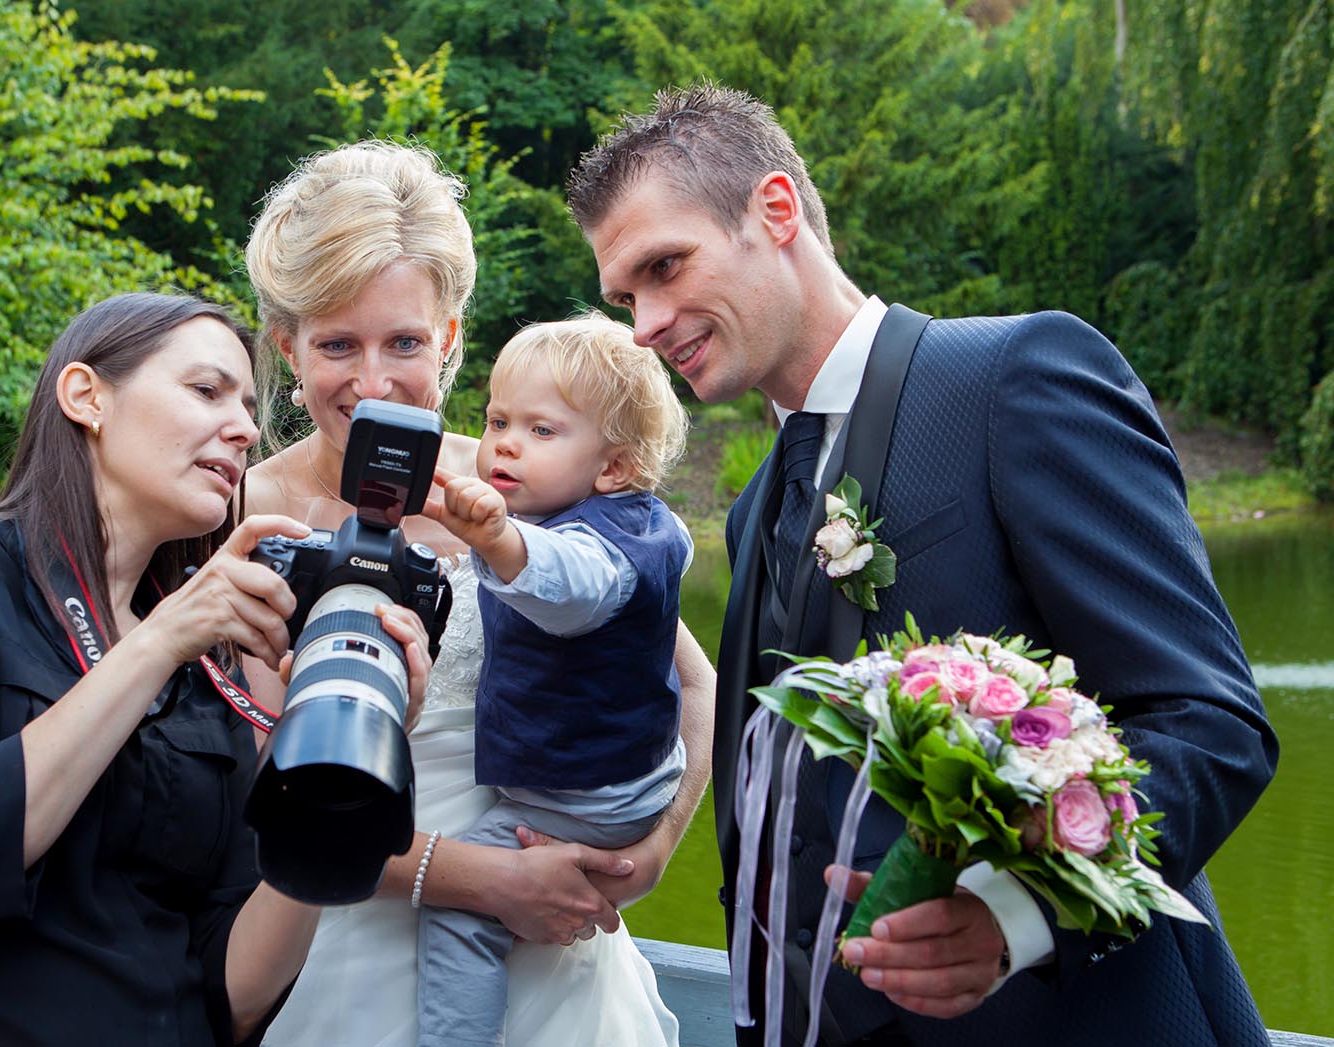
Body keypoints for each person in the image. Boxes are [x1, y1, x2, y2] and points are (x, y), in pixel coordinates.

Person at [567, 84, 1279, 1047]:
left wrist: (1013, 912)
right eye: (625, 297)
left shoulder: (1016, 379)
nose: (645, 324)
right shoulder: (749, 513)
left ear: (775, 211)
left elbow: (1209, 724)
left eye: (665, 267)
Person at [0, 292, 433, 1047]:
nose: (244, 428)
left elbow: (229, 993)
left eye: (247, 406)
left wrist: (350, 757)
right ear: (86, 395)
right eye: (207, 391)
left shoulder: (210, 669)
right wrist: (158, 641)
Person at [242, 140, 715, 1047]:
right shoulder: (245, 513)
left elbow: (691, 683)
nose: (373, 379)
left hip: (556, 947)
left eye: (405, 341)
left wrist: (647, 853)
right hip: (353, 931)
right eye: (338, 343)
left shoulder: (525, 496)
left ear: (451, 337)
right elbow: (256, 793)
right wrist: (480, 880)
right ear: (286, 344)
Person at [414, 314, 694, 1046]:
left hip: (580, 800)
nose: (504, 442)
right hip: (637, 771)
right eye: (498, 418)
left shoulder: (590, 548)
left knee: (457, 917)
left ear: (612, 468)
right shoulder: (653, 522)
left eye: (541, 430)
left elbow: (568, 585)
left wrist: (500, 538)